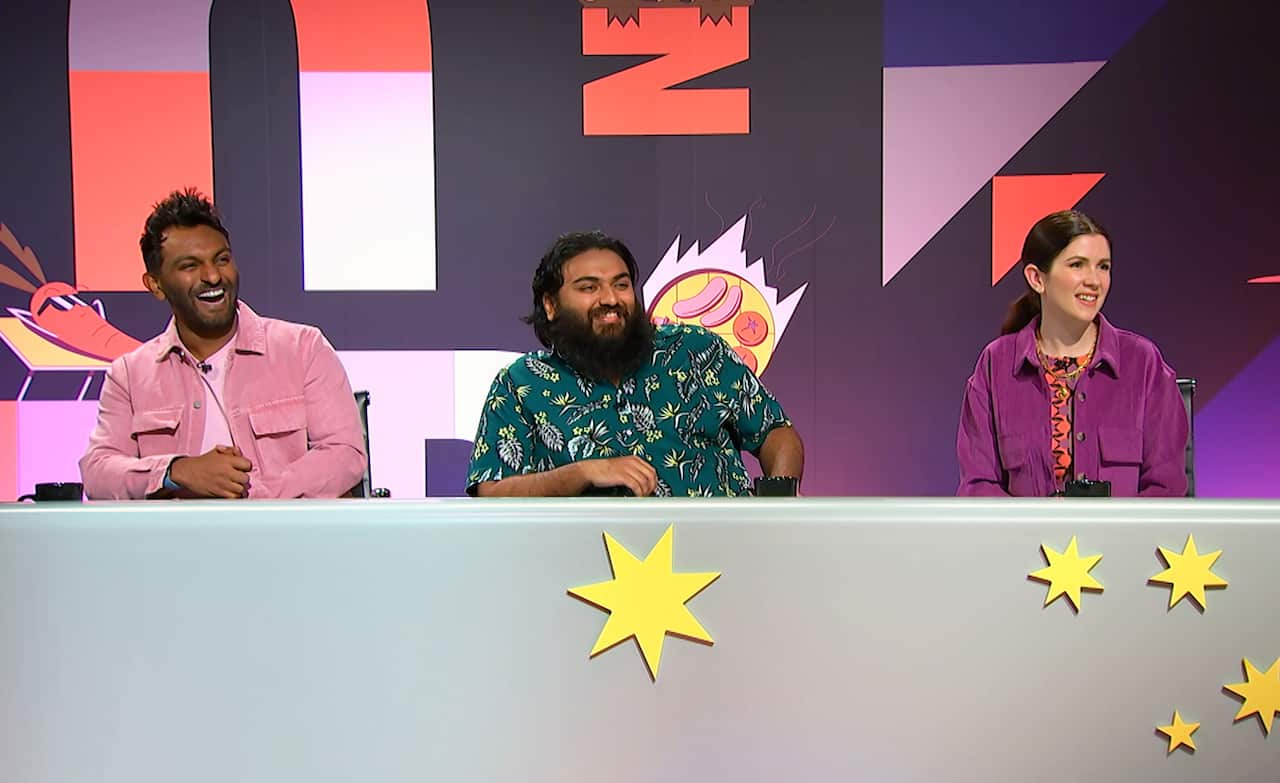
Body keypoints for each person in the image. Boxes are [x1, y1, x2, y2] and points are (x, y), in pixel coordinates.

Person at [467, 230, 804, 497]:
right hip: (584, 569)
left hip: (723, 556)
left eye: (622, 284)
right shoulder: (521, 382)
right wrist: (583, 473)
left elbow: (775, 433)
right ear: (551, 305)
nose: (611, 299)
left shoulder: (697, 350)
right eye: (589, 287)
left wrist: (778, 504)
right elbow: (493, 489)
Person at [79, 188, 365, 499]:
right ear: (156, 285)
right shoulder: (130, 374)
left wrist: (251, 497)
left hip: (283, 542)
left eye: (222, 259)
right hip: (174, 545)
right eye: (190, 266)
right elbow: (97, 471)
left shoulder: (302, 348)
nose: (213, 276)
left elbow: (344, 455)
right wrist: (177, 472)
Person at [956, 210, 1187, 497]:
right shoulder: (995, 364)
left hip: (1122, 542)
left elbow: (1166, 488)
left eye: (1103, 267)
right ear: (1037, 279)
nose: (1094, 280)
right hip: (1023, 542)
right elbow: (979, 487)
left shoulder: (1143, 362)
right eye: (1078, 265)